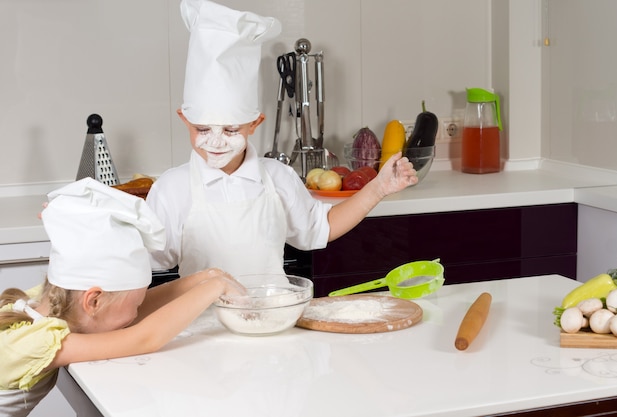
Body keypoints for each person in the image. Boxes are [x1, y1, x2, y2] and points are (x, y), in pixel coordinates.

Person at [146, 0, 418, 279]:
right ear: (184, 119)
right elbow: (148, 264)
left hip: (274, 315)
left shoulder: (278, 177)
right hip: (202, 320)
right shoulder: (171, 190)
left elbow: (320, 227)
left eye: (230, 130)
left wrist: (379, 188)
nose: (216, 142)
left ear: (254, 123)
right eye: (202, 129)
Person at [0, 178, 244, 416]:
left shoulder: (38, 304)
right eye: (135, 307)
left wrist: (205, 277)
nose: (137, 313)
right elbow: (143, 338)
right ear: (93, 301)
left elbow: (128, 312)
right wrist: (215, 286)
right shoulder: (37, 343)